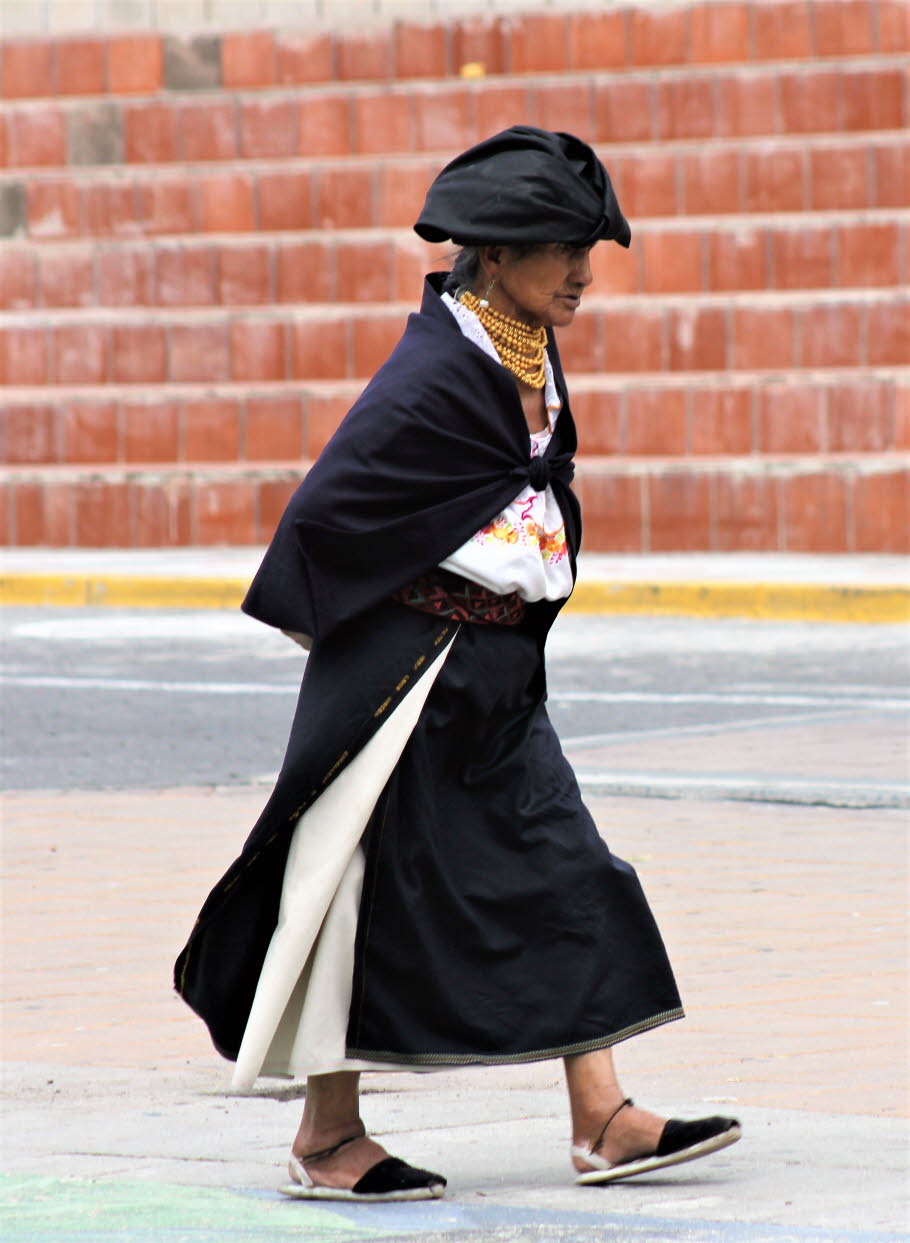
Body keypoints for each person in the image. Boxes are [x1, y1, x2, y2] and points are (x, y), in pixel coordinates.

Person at [174, 126, 741, 1201]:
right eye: (562, 249)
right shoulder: (434, 370)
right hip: (402, 679)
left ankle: (603, 1118)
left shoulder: (523, 343)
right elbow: (332, 512)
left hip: (493, 679)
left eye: (590, 252)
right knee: (348, 886)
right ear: (493, 251)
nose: (581, 274)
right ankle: (327, 1140)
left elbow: (527, 482)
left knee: (570, 864)